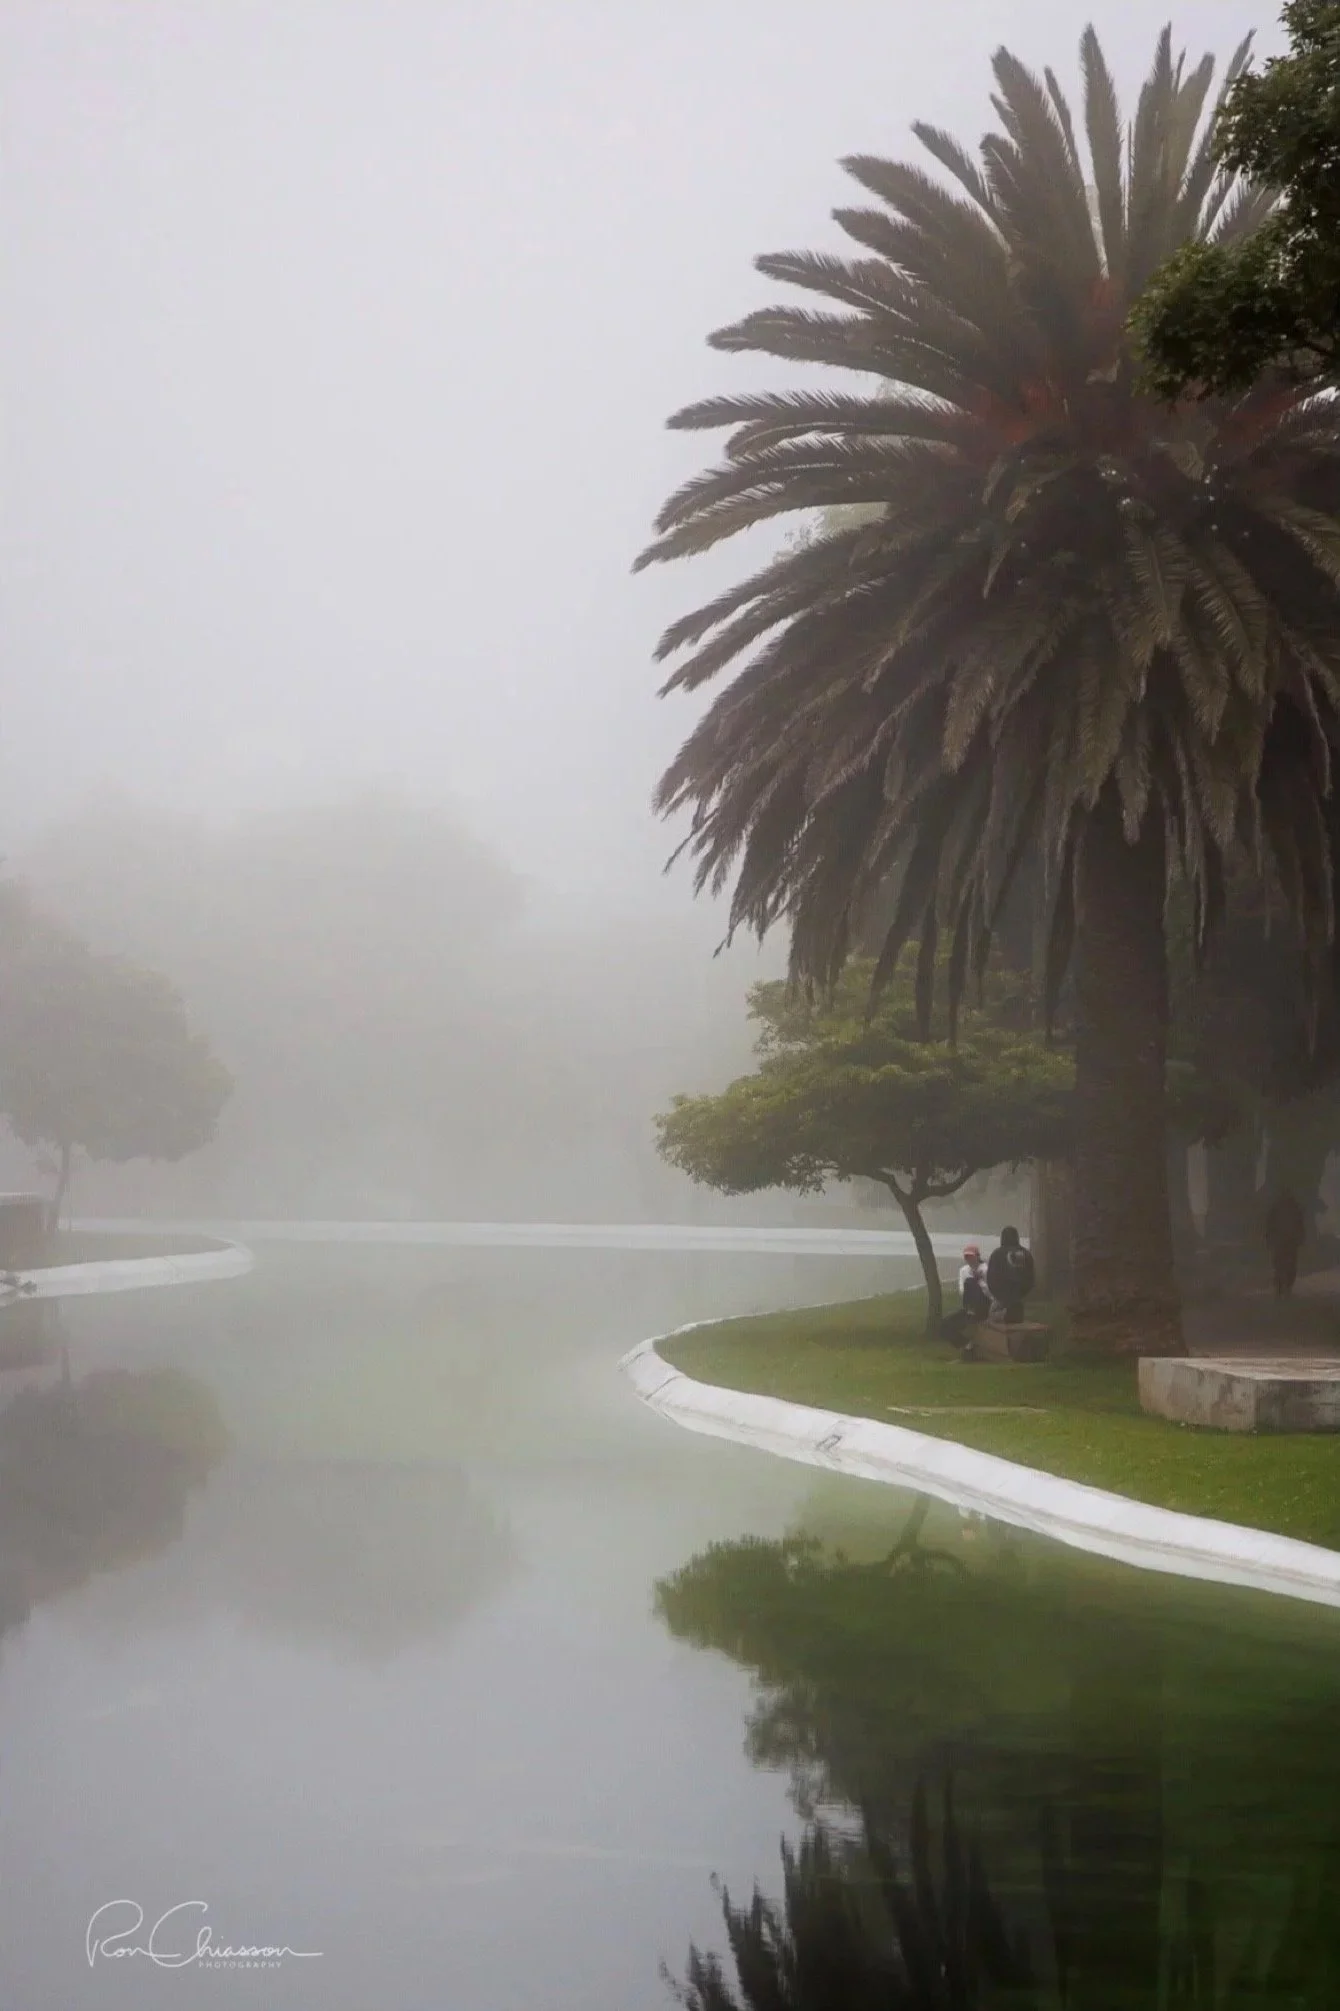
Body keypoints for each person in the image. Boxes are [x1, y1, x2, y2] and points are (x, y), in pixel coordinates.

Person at [940, 1244, 990, 1352]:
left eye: (971, 1256)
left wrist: (979, 1281)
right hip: (969, 1306)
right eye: (966, 1257)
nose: (969, 1259)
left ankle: (970, 1347)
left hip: (984, 1305)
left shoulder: (986, 1270)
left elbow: (990, 1292)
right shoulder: (964, 1271)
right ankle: (966, 1344)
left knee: (970, 1282)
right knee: (945, 1324)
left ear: (977, 1256)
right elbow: (962, 1291)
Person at [986, 1226, 1036, 1325]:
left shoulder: (997, 1254)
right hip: (1020, 1294)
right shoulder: (1026, 1254)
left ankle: (1005, 1314)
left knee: (991, 1314)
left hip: (1001, 1296)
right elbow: (1031, 1277)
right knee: (1013, 1307)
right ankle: (1013, 1312)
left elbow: (991, 1278)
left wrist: (998, 1295)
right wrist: (1022, 1294)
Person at [1264, 1188, 1306, 1299]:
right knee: (1284, 1264)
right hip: (1286, 1241)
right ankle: (1283, 1286)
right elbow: (1270, 1224)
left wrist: (1269, 1239)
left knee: (1283, 1264)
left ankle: (1283, 1287)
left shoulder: (1279, 1207)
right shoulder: (1293, 1207)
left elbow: (1270, 1224)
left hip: (1285, 1241)